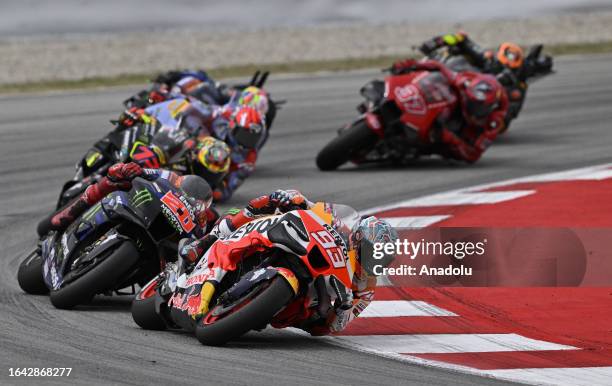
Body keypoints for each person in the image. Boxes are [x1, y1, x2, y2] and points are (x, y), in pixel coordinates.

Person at [178, 189, 398, 335]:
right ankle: (205, 242)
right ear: (358, 238)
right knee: (263, 206)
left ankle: (254, 307)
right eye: (373, 252)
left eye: (381, 258)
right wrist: (292, 198)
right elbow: (311, 206)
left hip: (306, 297)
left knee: (315, 325)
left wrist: (342, 311)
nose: (374, 260)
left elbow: (336, 326)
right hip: (299, 247)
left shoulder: (366, 287)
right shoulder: (342, 225)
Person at [48, 162, 217, 235]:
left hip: (165, 239)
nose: (190, 203)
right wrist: (134, 170)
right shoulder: (171, 177)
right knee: (117, 176)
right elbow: (147, 172)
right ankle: (72, 211)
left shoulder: (204, 220)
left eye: (197, 204)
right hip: (143, 207)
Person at [391, 58, 509, 163]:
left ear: (490, 107)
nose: (473, 107)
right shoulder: (463, 82)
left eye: (479, 106)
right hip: (447, 109)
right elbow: (439, 66)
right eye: (472, 101)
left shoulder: (494, 122)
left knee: (436, 141)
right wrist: (412, 64)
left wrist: (450, 138)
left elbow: (473, 155)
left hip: (455, 140)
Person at [418, 32, 530, 128]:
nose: (502, 68)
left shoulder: (515, 86)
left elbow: (506, 117)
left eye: (508, 67)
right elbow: (463, 39)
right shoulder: (487, 59)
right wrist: (436, 42)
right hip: (456, 77)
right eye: (500, 64)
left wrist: (496, 120)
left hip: (477, 106)